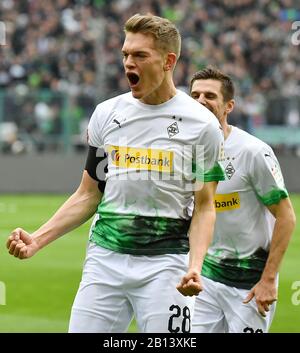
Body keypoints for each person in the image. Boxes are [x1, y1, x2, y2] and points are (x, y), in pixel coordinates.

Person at [6, 15, 225, 333]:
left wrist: (195, 266)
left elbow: (205, 206)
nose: (128, 63)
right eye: (125, 54)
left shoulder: (202, 126)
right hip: (105, 261)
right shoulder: (107, 115)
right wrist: (37, 240)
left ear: (168, 61)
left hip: (167, 266)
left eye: (139, 55)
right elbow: (88, 193)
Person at [188, 66, 296, 333]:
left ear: (229, 106)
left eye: (210, 96)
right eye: (195, 95)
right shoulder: (186, 150)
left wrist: (269, 279)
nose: (201, 101)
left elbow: (286, 217)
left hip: (249, 282)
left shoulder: (253, 152)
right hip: (206, 279)